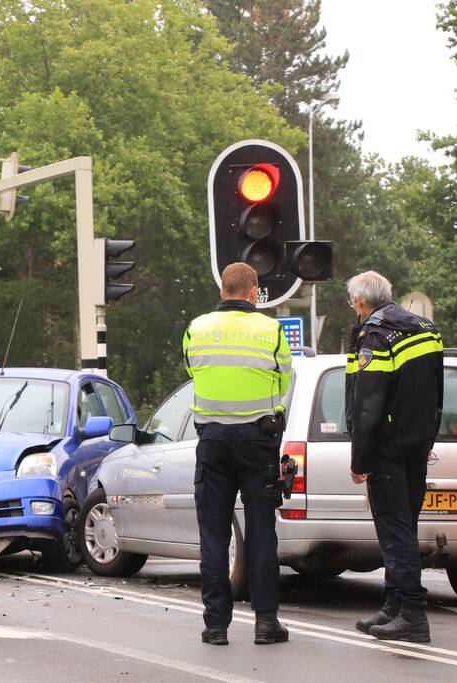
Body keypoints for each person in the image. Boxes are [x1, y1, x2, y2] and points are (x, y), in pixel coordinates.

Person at [183, 262, 292, 646]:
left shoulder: (196, 329)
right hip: (257, 440)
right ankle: (266, 623)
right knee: (262, 533)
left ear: (222, 291)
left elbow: (194, 374)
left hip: (212, 441)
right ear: (253, 291)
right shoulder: (271, 330)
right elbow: (284, 379)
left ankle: (216, 627)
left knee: (213, 536)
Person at [346, 271, 444, 643]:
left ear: (359, 300)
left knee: (394, 531)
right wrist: (428, 437)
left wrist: (360, 460)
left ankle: (413, 615)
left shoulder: (374, 333)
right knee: (404, 526)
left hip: (387, 447)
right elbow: (437, 389)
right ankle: (393, 606)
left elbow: (369, 403)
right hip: (417, 444)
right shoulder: (425, 327)